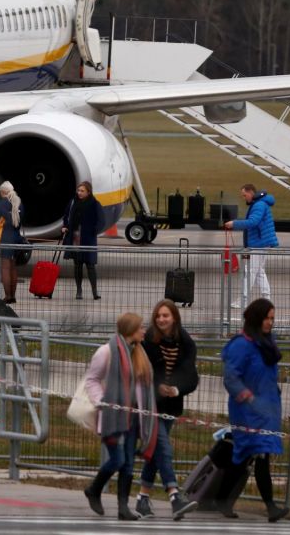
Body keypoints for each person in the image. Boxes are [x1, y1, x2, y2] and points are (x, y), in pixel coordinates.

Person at [82, 312, 158, 521]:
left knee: (128, 463)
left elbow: (143, 387)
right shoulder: (107, 352)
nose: (144, 331)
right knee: (117, 459)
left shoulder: (139, 353)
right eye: (141, 327)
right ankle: (94, 489)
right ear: (131, 330)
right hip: (113, 415)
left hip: (133, 417)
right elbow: (92, 380)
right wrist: (102, 402)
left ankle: (123, 507)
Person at [221, 298, 288, 522]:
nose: (270, 323)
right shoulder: (241, 345)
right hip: (247, 412)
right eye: (267, 318)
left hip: (267, 410)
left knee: (244, 457)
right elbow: (231, 378)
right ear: (256, 319)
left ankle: (223, 500)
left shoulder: (267, 343)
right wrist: (247, 397)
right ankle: (271, 508)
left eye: (272, 319)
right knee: (258, 454)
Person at [136, 300, 199, 519]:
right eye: (158, 316)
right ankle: (174, 496)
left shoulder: (186, 342)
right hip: (149, 404)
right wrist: (157, 386)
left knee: (155, 452)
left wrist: (176, 389)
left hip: (171, 406)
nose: (162, 320)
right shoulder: (146, 341)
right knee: (164, 448)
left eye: (166, 316)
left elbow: (192, 377)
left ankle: (142, 499)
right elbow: (140, 372)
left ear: (174, 317)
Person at [224, 185, 278, 301]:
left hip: (258, 243)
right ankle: (267, 297)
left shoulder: (258, 205)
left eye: (244, 195)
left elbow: (253, 222)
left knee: (251, 271)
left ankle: (243, 300)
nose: (244, 198)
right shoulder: (260, 203)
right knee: (259, 272)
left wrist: (234, 224)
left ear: (251, 193)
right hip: (261, 242)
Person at [61, 181, 105, 300]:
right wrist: (66, 226)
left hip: (88, 238)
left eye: (82, 191)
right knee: (77, 265)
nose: (79, 193)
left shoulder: (95, 204)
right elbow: (66, 216)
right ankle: (79, 290)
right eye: (78, 190)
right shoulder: (73, 202)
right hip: (75, 237)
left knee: (90, 265)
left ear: (88, 192)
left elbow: (102, 221)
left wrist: (93, 231)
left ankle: (94, 292)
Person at [0, 181, 24, 304]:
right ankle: (13, 295)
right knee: (13, 268)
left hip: (4, 238)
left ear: (2, 192)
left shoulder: (0, 205)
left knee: (5, 268)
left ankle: (8, 296)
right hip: (16, 238)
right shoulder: (19, 203)